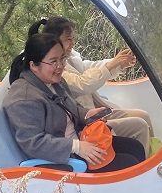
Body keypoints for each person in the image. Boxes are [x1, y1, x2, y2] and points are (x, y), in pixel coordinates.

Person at [2, 28, 145, 173]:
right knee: (129, 162)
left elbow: (70, 107)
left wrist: (87, 114)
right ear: (34, 65)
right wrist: (77, 147)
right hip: (65, 160)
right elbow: (33, 143)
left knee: (135, 147)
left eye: (62, 59)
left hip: (81, 141)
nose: (60, 66)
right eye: (53, 61)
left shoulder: (55, 81)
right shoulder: (24, 98)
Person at [38, 16, 153, 153]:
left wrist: (119, 63)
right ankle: (146, 163)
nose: (73, 43)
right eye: (68, 39)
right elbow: (82, 84)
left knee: (143, 115)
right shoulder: (54, 68)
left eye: (73, 38)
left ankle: (152, 154)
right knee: (139, 125)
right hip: (84, 122)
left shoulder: (71, 58)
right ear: (54, 41)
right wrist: (112, 65)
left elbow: (91, 67)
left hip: (95, 110)